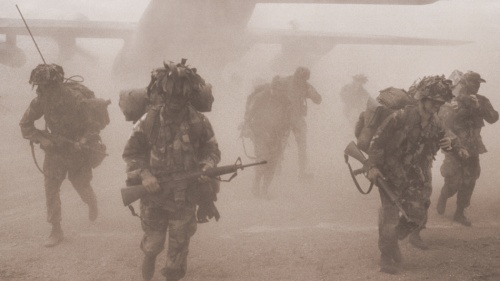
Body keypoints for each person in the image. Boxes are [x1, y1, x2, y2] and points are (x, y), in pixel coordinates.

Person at [122, 60, 221, 281]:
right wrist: (145, 175)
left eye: (181, 97)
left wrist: (206, 167)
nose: (176, 102)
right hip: (153, 196)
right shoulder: (148, 121)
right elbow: (131, 154)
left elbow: (212, 150)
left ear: (188, 96)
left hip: (185, 197)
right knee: (152, 247)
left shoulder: (199, 121)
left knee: (177, 255)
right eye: (171, 96)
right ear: (163, 95)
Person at [366, 75, 465, 274]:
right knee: (390, 217)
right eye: (434, 102)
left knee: (417, 215)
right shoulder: (401, 116)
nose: (438, 105)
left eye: (440, 103)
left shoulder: (435, 122)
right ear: (423, 98)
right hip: (391, 175)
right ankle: (386, 255)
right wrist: (373, 166)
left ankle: (392, 242)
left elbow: (447, 138)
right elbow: (377, 142)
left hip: (416, 177)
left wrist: (453, 145)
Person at [19, 64, 101, 247]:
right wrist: (41, 138)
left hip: (77, 150)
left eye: (46, 86)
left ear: (57, 84)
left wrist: (84, 141)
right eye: (40, 86)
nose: (42, 90)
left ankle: (91, 201)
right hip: (55, 150)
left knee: (81, 184)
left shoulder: (77, 99)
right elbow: (25, 124)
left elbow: (93, 125)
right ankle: (56, 229)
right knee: (51, 188)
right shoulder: (41, 101)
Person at [437, 71, 498, 226]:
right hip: (454, 146)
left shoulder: (482, 100)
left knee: (470, 180)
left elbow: (493, 117)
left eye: (478, 84)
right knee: (453, 180)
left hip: (474, 147)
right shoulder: (451, 100)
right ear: (464, 84)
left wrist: (478, 108)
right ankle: (445, 194)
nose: (476, 87)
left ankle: (459, 212)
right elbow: (442, 122)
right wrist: (456, 108)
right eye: (473, 83)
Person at [241, 76, 290, 199]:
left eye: (283, 90)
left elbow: (288, 119)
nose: (281, 93)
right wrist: (246, 127)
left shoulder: (286, 100)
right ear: (273, 88)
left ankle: (265, 190)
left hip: (276, 134)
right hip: (260, 132)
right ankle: (256, 184)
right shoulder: (261, 97)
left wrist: (285, 134)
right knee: (262, 159)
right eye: (279, 90)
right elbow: (249, 114)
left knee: (273, 162)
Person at [283, 66, 322, 180]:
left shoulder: (304, 86)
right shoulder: (286, 82)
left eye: (304, 79)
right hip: (285, 119)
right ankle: (275, 167)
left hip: (296, 118)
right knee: (280, 144)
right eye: (301, 78)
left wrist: (310, 92)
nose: (301, 80)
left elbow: (318, 99)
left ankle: (302, 172)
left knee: (302, 146)